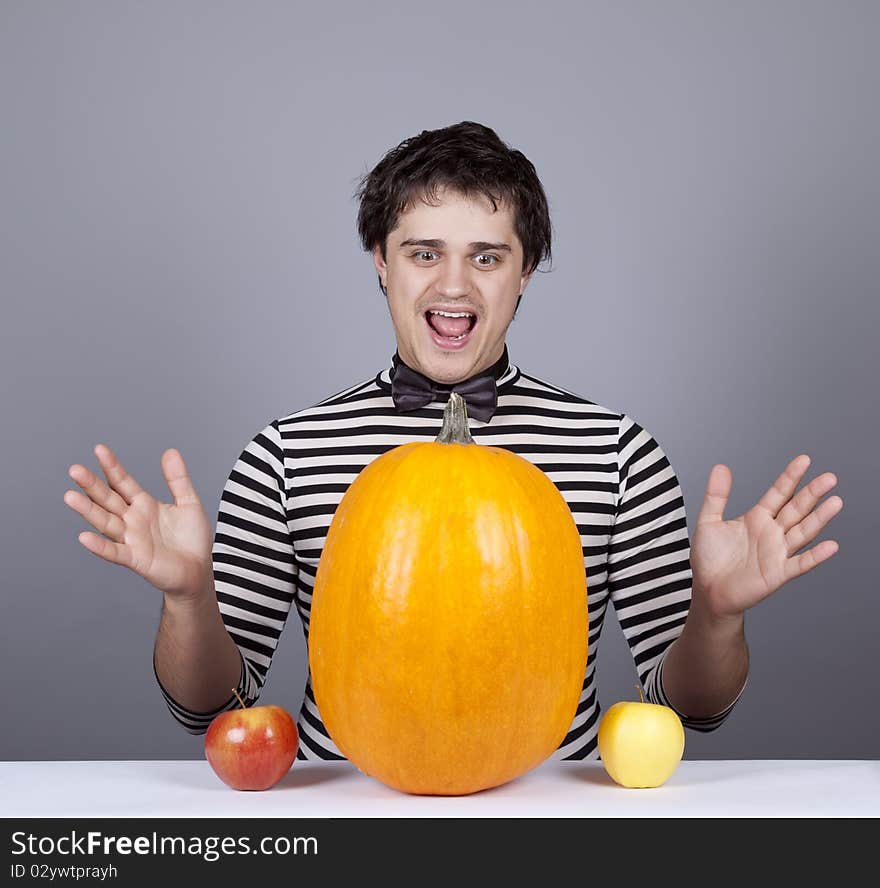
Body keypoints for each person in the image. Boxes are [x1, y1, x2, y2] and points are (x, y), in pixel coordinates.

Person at [63, 121, 843, 762]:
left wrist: (715, 614)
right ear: (381, 262)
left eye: (487, 256)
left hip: (546, 821)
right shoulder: (286, 453)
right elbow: (212, 706)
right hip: (347, 819)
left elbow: (687, 712)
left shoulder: (617, 452)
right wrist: (188, 598)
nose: (453, 287)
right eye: (424, 252)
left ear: (527, 271)